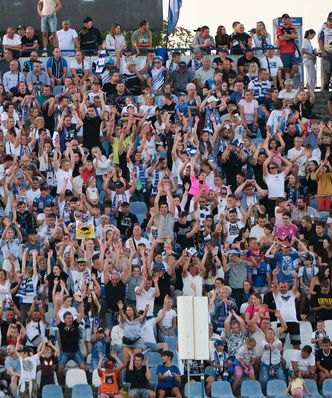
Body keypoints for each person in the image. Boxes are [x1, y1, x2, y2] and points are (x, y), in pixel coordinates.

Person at [272, 268, 301, 349]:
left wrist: (296, 278)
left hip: (294, 322)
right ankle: (279, 361)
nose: (283, 288)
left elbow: (296, 285)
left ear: (288, 287)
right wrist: (274, 276)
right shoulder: (277, 295)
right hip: (281, 322)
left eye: (285, 287)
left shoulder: (292, 293)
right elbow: (274, 285)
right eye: (281, 287)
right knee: (280, 345)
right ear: (279, 287)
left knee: (296, 345)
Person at [276, 13, 299, 79]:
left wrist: (286, 35)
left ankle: (289, 81)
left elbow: (295, 36)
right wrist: (291, 36)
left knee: (295, 67)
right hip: (284, 52)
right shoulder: (279, 28)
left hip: (292, 51)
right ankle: (288, 83)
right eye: (283, 19)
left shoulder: (292, 28)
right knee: (286, 70)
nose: (284, 20)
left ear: (289, 19)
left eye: (286, 19)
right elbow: (281, 38)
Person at [318, 15, 332, 91]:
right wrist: (322, 51)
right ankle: (325, 87)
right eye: (330, 21)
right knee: (326, 71)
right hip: (327, 53)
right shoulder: (323, 31)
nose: (331, 23)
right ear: (327, 21)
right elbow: (320, 41)